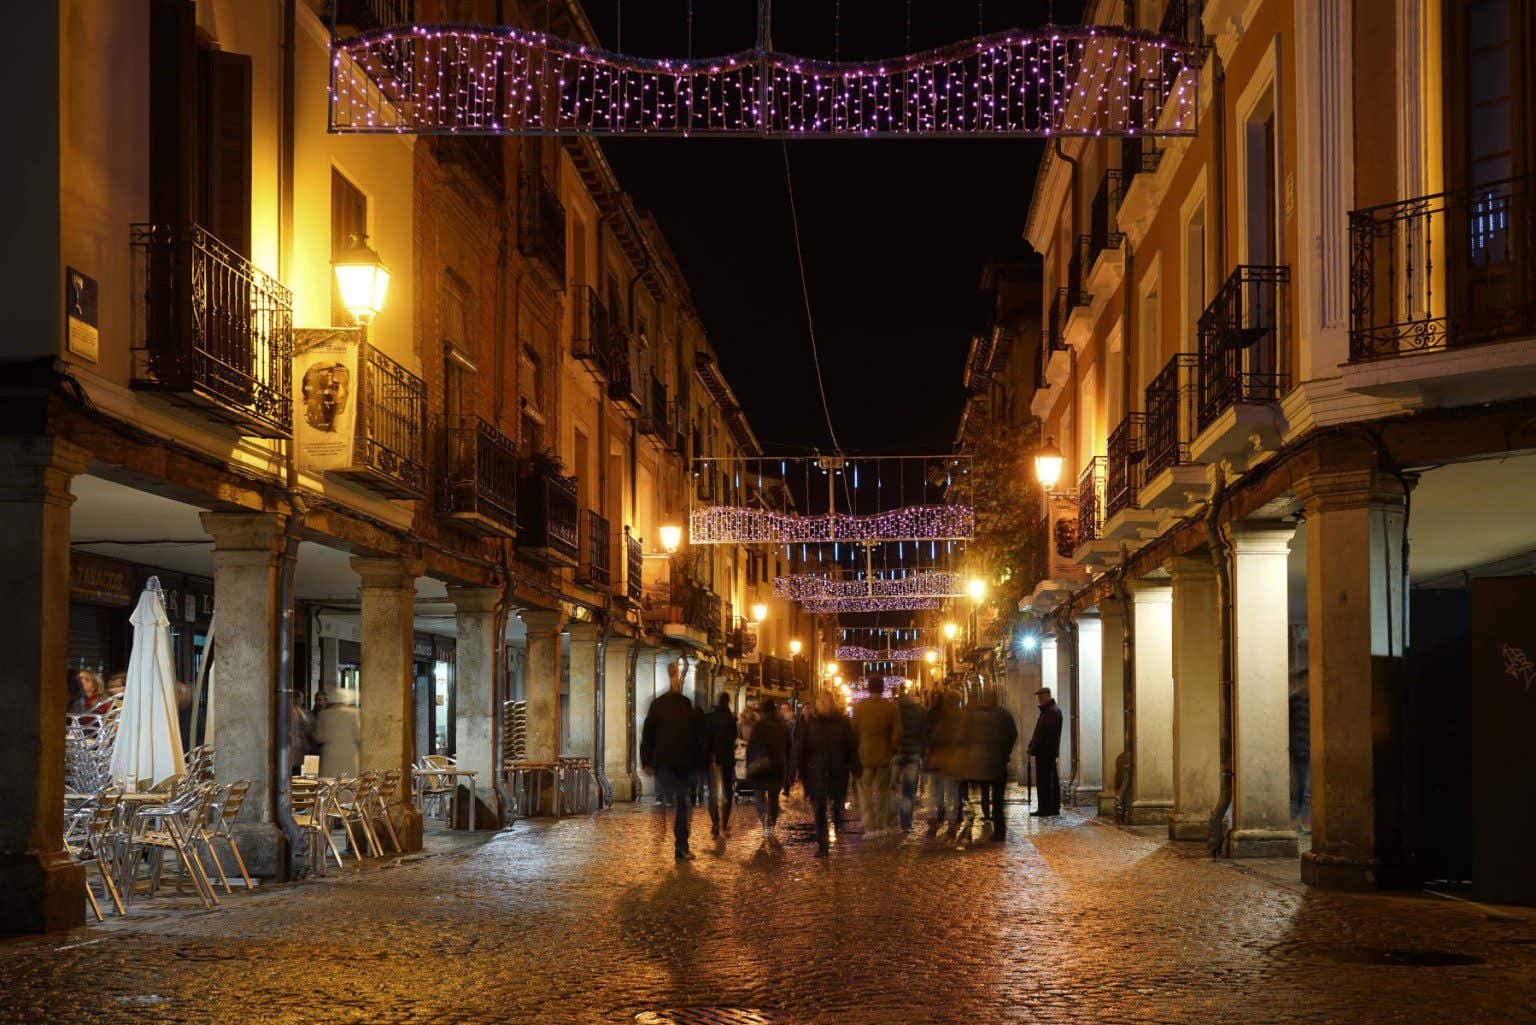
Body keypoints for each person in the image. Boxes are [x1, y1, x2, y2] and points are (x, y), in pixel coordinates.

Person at [640, 661, 704, 860]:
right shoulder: (685, 705)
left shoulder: (658, 705)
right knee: (681, 803)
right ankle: (681, 845)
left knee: (669, 801)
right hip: (681, 763)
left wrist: (647, 761)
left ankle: (667, 835)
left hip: (666, 762)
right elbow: (695, 737)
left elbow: (647, 734)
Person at [797, 692, 860, 856]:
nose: (822, 705)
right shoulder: (811, 723)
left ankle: (838, 820)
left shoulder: (842, 723)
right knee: (819, 808)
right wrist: (796, 770)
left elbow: (851, 747)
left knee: (837, 804)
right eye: (820, 703)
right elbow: (801, 748)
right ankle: (822, 845)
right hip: (816, 771)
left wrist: (855, 767)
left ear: (831, 704)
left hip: (837, 771)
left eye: (825, 702)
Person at [850, 678, 901, 836]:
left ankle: (870, 826)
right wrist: (892, 749)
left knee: (864, 793)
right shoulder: (891, 707)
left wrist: (858, 748)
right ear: (882, 688)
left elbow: (853, 732)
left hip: (865, 756)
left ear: (868, 689)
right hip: (884, 756)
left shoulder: (859, 707)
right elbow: (897, 733)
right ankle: (882, 824)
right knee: (883, 792)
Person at [745, 698, 792, 843]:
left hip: (761, 766)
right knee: (773, 798)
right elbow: (788, 748)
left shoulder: (759, 726)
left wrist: (749, 763)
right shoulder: (783, 726)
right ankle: (771, 824)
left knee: (759, 795)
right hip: (777, 766)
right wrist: (788, 766)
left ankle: (764, 821)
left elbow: (751, 747)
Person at [975, 690, 1018, 841]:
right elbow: (1013, 734)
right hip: (999, 761)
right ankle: (1000, 830)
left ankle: (987, 815)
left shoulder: (980, 716)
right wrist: (1006, 751)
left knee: (986, 792)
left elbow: (975, 736)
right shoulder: (1005, 714)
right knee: (999, 798)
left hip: (985, 761)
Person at [893, 685, 927, 832]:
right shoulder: (918, 711)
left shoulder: (893, 710)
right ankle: (906, 823)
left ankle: (891, 816)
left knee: (891, 788)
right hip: (913, 754)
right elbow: (924, 733)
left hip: (896, 754)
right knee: (908, 791)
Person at [705, 692, 738, 836]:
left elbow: (707, 739)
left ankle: (715, 823)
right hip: (727, 760)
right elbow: (734, 737)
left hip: (713, 759)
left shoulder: (711, 718)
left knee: (713, 793)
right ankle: (724, 823)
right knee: (727, 792)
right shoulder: (730, 719)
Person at [1027, 687, 1064, 817]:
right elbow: (1040, 732)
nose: (1039, 699)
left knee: (1046, 781)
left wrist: (1034, 746)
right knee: (1047, 780)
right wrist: (1032, 745)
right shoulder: (1048, 711)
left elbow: (1044, 734)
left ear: (1047, 696)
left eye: (1041, 697)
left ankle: (1047, 808)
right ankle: (1049, 807)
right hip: (1045, 752)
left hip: (1046, 752)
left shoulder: (1051, 712)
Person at [315, 688, 360, 778]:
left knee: (329, 786)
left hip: (330, 756)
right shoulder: (354, 713)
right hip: (349, 754)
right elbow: (358, 735)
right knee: (348, 785)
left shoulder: (324, 714)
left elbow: (320, 737)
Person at [1289, 670, 1311, 830]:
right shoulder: (1294, 700)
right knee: (1300, 786)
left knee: (1306, 787)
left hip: (1310, 748)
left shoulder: (1311, 701)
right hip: (1298, 748)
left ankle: (1301, 820)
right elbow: (1289, 724)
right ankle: (1296, 819)